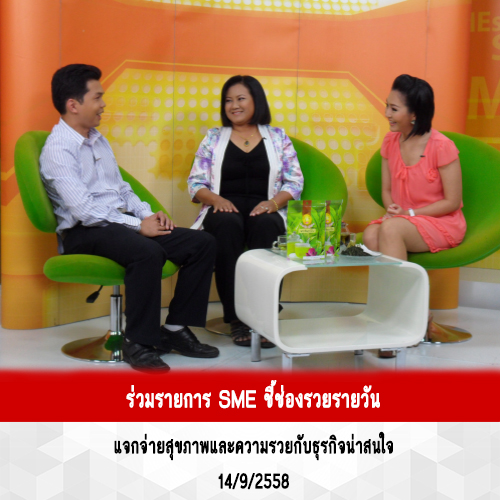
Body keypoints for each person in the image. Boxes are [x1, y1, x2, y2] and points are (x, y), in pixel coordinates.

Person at [40, 64, 219, 372]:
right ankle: (138, 342)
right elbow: (84, 211)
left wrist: (147, 215)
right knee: (147, 251)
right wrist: (138, 226)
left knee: (202, 243)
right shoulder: (58, 150)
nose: (103, 104)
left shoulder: (98, 139)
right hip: (84, 231)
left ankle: (175, 329)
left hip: (117, 223)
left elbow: (121, 189)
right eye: (97, 97)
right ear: (73, 104)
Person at [188, 75, 304, 347]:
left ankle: (264, 316)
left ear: (256, 101)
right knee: (227, 225)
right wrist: (216, 199)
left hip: (265, 207)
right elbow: (195, 183)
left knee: (268, 226)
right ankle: (237, 317)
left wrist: (274, 203)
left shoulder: (278, 137)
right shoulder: (214, 137)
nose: (234, 105)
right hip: (223, 208)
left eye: (241, 99)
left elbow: (295, 181)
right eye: (228, 100)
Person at [363, 74, 466, 349]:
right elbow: (387, 190)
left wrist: (408, 214)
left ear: (415, 114)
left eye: (394, 108)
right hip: (403, 218)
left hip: (440, 220)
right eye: (387, 105)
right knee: (371, 236)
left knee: (390, 229)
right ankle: (408, 314)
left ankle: (404, 320)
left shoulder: (441, 146)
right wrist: (391, 207)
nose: (386, 113)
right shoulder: (390, 141)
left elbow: (452, 201)